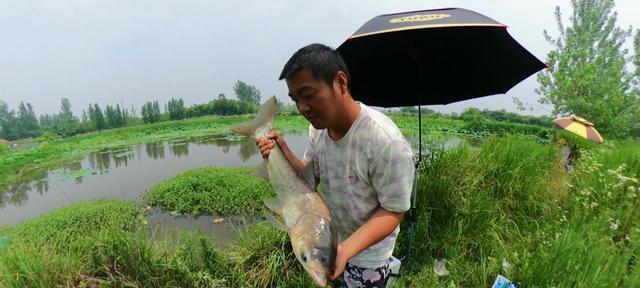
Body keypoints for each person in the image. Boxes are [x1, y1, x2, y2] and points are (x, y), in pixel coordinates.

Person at [256, 43, 415, 287]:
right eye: (295, 99)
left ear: (340, 82)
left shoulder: (385, 142)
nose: (302, 108)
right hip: (326, 243)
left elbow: (394, 211)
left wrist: (346, 250)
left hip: (368, 259)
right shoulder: (318, 130)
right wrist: (280, 150)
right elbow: (308, 178)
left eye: (308, 95)